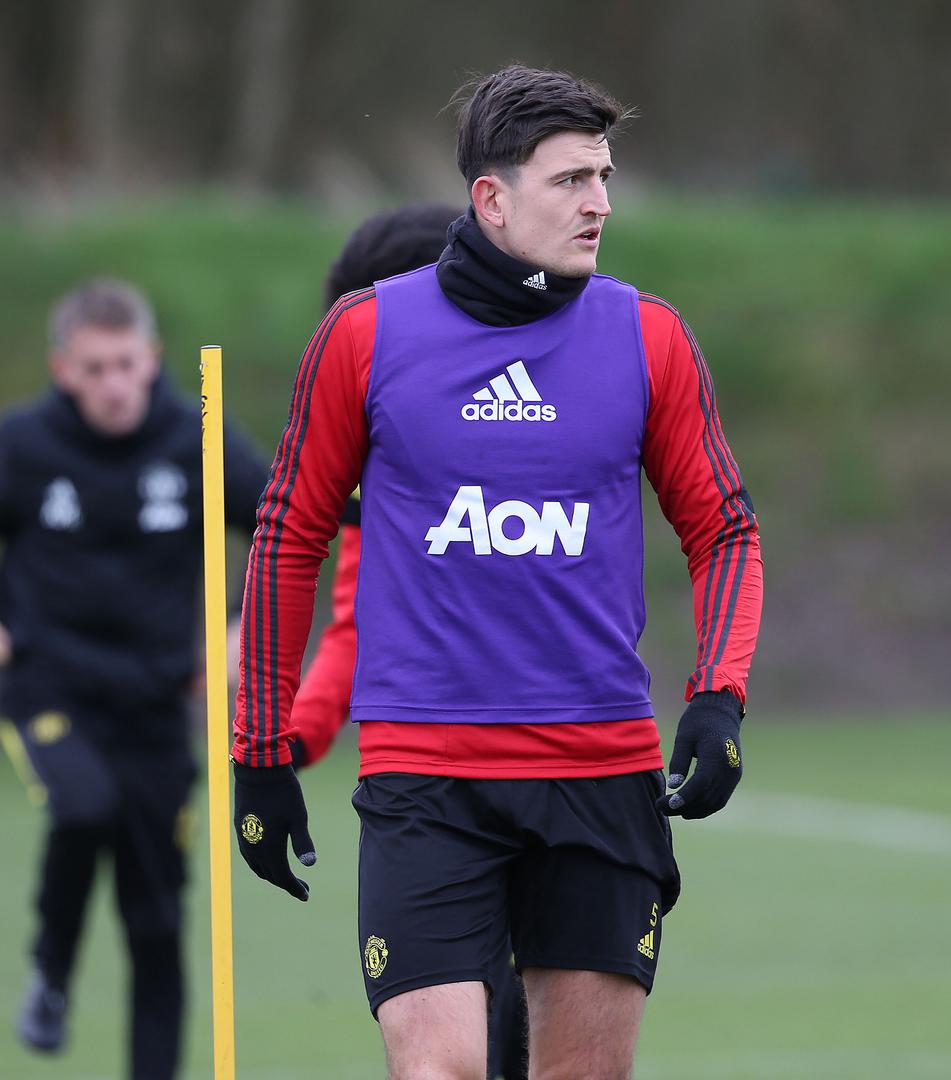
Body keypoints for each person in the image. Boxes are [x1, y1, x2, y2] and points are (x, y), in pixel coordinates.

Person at [232, 65, 763, 1079]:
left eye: (604, 176)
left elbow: (724, 530)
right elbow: (288, 537)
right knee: (440, 1070)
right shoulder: (365, 335)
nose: (601, 201)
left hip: (601, 773)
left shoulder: (648, 336)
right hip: (427, 779)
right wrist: (260, 749)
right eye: (571, 180)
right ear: (492, 197)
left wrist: (719, 697)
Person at [0, 279, 267, 1080]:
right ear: (62, 370)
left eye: (126, 364)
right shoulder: (23, 443)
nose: (113, 384)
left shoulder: (198, 435)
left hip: (159, 700)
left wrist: (238, 629)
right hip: (51, 685)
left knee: (156, 919)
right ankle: (50, 967)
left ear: (151, 359)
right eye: (93, 369)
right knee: (83, 808)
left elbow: (283, 520)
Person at [287, 203, 528, 1080]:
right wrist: (282, 739)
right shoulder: (381, 459)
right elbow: (356, 617)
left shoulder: (560, 416)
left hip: (565, 772)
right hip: (434, 779)